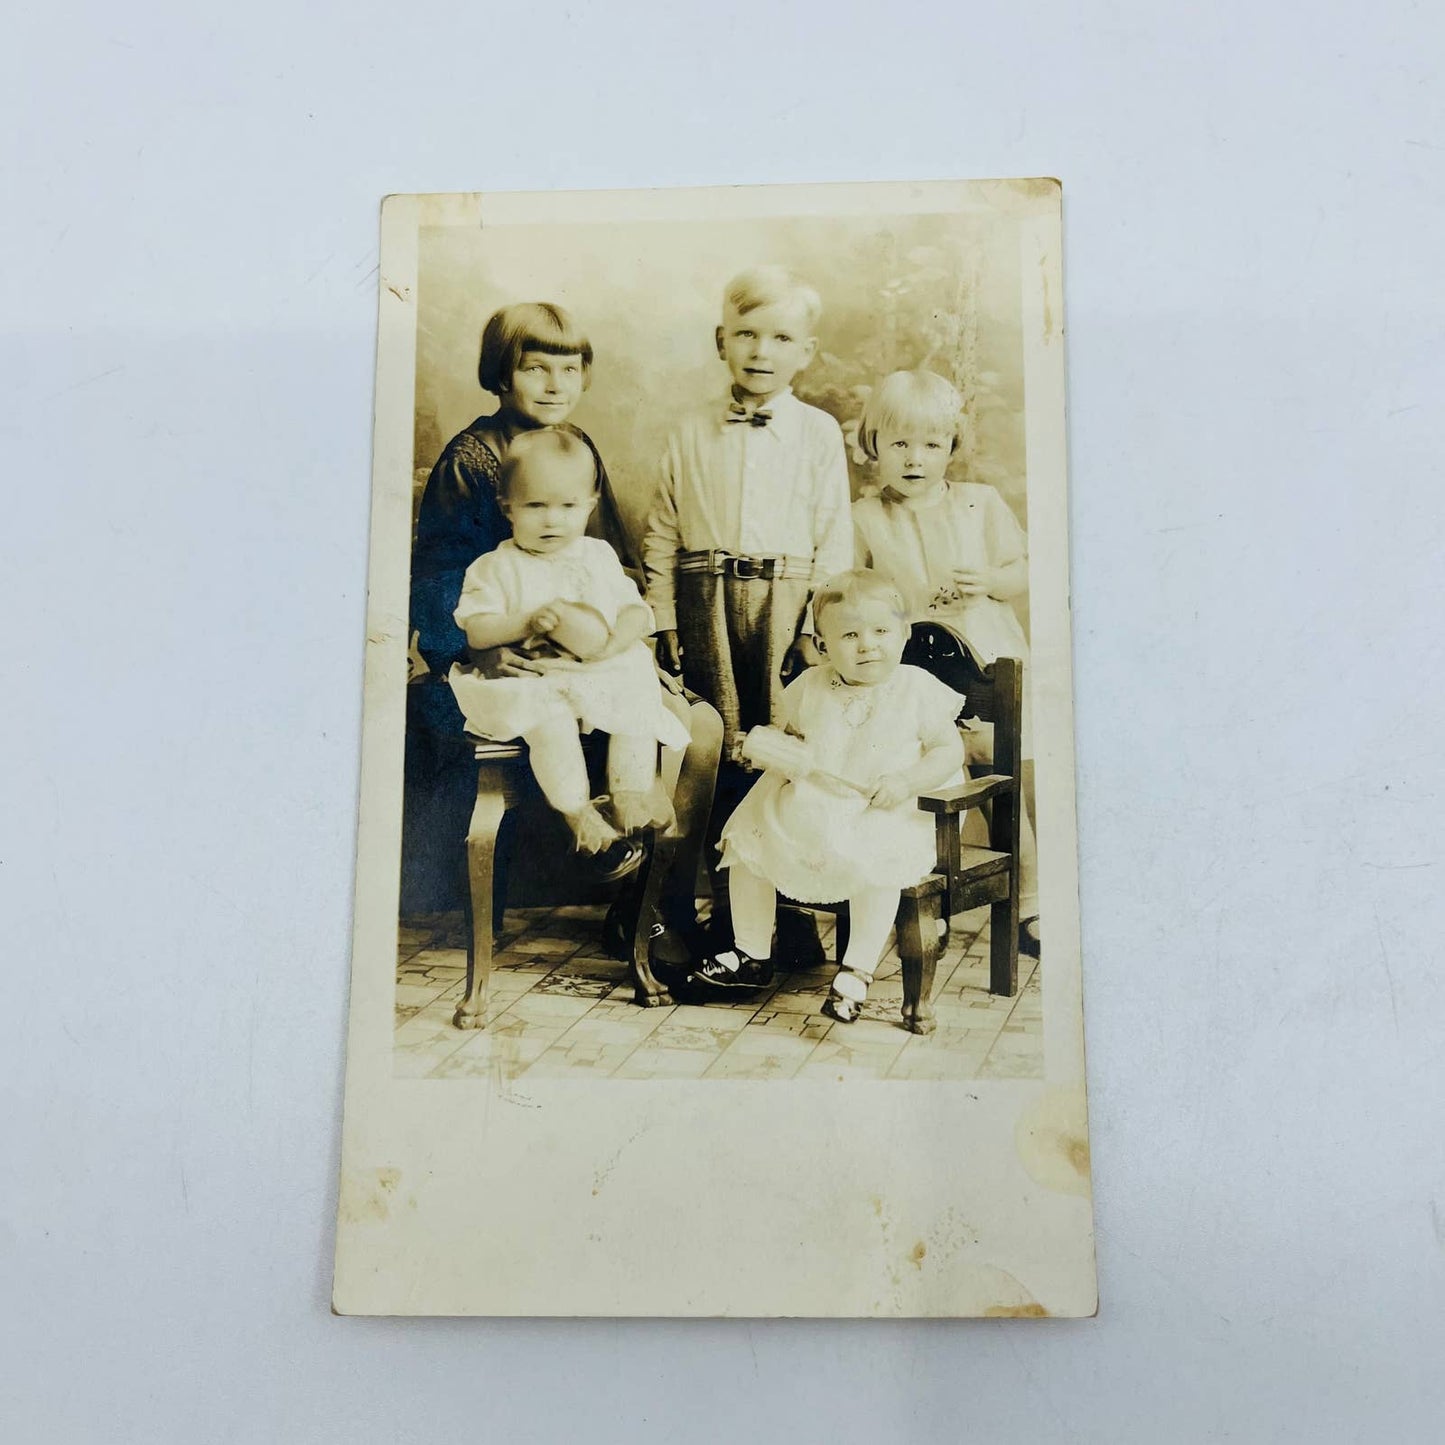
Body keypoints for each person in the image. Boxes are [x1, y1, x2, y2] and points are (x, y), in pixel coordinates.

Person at [404, 302, 722, 961]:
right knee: (560, 716)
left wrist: (638, 649)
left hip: (589, 655)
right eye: (534, 368)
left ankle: (653, 907)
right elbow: (436, 581)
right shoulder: (472, 460)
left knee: (702, 726)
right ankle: (626, 884)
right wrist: (481, 649)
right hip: (500, 659)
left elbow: (612, 564)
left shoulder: (576, 448)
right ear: (500, 375)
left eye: (568, 369)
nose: (554, 385)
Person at [640, 266, 852, 963]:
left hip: (787, 607)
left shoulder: (817, 433)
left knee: (779, 752)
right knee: (714, 751)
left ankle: (781, 914)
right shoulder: (690, 430)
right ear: (720, 341)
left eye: (780, 336)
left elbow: (832, 531)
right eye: (746, 334)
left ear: (805, 352)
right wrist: (664, 616)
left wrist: (817, 627)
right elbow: (663, 530)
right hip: (705, 603)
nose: (761, 350)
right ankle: (697, 916)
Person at [686, 571, 966, 1023]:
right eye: (849, 635)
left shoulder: (915, 688)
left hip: (891, 805)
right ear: (822, 645)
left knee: (879, 860)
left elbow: (947, 751)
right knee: (749, 837)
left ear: (904, 634)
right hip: (821, 800)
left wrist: (907, 781)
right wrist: (772, 749)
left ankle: (856, 971)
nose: (867, 646)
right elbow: (796, 739)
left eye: (880, 632)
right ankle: (751, 950)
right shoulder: (811, 685)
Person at [850, 368, 1041, 955]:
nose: (915, 459)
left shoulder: (979, 504)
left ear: (951, 448)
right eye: (899, 443)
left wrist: (989, 580)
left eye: (931, 445)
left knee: (998, 768)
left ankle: (1030, 900)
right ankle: (914, 899)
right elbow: (846, 591)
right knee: (911, 775)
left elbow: (1025, 568)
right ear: (872, 444)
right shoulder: (864, 517)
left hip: (985, 658)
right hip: (908, 669)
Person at [448, 429, 689, 857]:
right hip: (536, 676)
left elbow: (637, 612)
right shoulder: (496, 567)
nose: (552, 520)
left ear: (590, 506)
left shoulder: (597, 556)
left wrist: (615, 643)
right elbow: (477, 631)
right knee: (550, 721)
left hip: (597, 668)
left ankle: (628, 794)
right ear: (508, 508)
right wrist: (524, 621)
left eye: (568, 506)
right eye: (535, 506)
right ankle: (578, 812)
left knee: (635, 694)